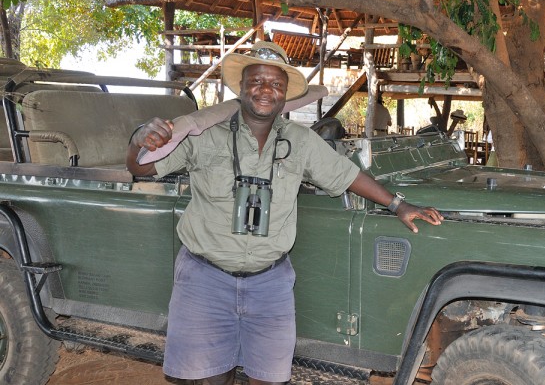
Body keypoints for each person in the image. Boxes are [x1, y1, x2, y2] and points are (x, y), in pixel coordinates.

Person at [126, 41, 443, 385]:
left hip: (270, 284)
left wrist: (397, 204)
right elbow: (141, 168)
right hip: (206, 280)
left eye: (276, 84)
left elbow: (346, 174)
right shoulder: (201, 134)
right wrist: (141, 140)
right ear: (242, 87)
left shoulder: (300, 140)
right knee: (209, 379)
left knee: (271, 379)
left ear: (285, 93)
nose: (266, 90)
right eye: (257, 81)